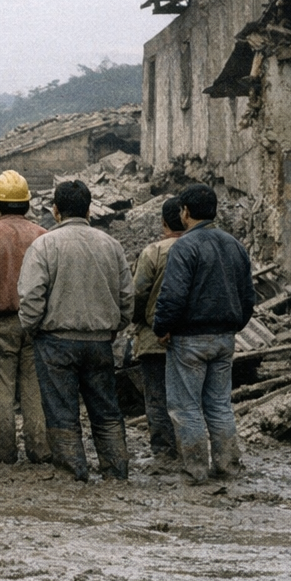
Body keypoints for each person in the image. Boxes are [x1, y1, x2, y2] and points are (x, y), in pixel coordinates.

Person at [17, 180, 134, 482]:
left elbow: (31, 297)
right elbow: (126, 299)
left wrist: (32, 329)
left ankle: (72, 477)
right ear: (90, 209)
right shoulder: (112, 245)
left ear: (55, 210)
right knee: (107, 412)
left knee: (62, 414)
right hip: (99, 343)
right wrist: (113, 328)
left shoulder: (44, 245)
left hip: (55, 342)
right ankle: (117, 474)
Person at [152, 182, 256, 482]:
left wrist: (162, 328)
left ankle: (195, 470)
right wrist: (233, 326)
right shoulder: (234, 245)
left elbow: (172, 296)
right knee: (220, 406)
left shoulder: (185, 246)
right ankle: (228, 467)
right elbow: (249, 297)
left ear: (185, 212)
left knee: (186, 408)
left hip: (189, 341)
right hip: (224, 338)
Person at [0, 170, 50, 465]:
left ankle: (2, 454)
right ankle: (41, 452)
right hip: (37, 325)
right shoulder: (44, 236)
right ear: (27, 203)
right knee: (37, 392)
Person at [130, 196, 185, 468]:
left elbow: (137, 295)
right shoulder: (199, 247)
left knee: (157, 398)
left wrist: (138, 321)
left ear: (163, 222)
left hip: (154, 340)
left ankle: (164, 454)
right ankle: (191, 449)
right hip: (192, 340)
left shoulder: (153, 252)